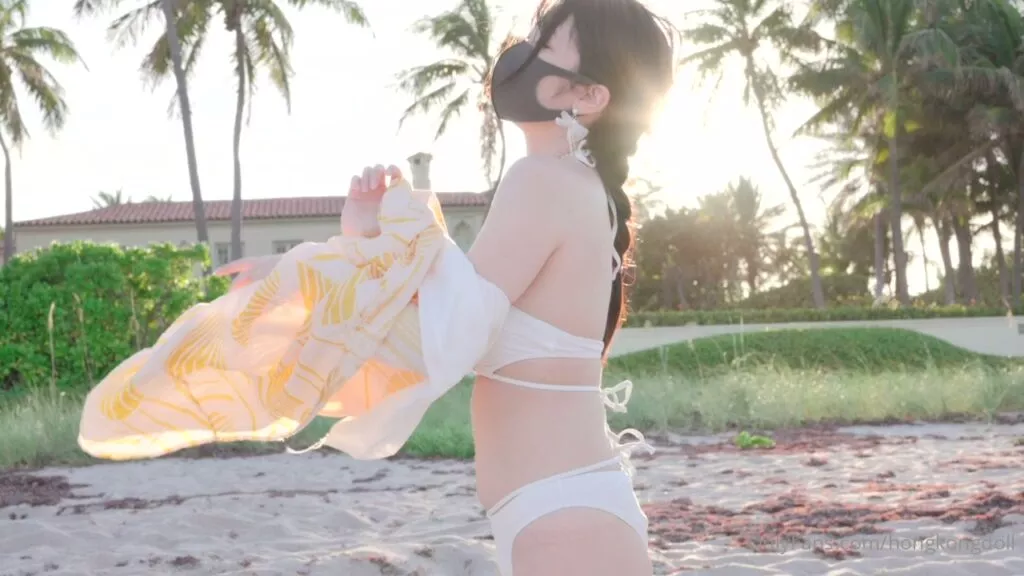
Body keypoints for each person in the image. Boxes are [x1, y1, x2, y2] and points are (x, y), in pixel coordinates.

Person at [76, 1, 675, 574]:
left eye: (545, 46)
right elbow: (445, 304)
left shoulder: (543, 180)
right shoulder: (565, 184)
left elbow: (452, 326)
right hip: (559, 506)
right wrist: (362, 239)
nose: (523, 52)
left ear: (589, 96)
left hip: (563, 513)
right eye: (533, 35)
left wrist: (301, 272)